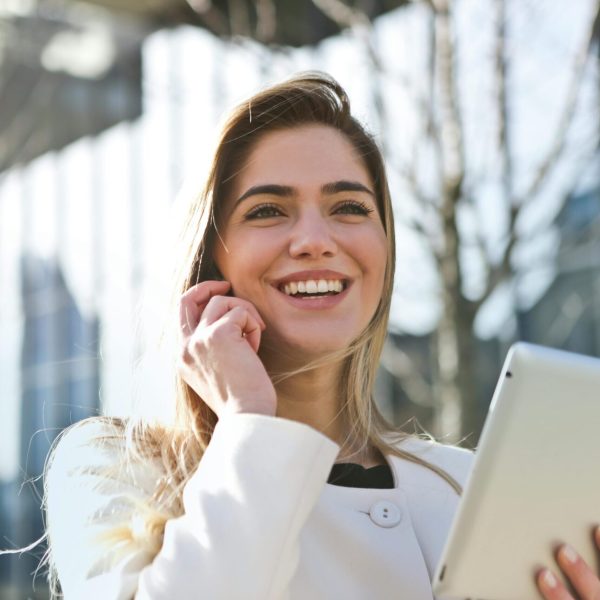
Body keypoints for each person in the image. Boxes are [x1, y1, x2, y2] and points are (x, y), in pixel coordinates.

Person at [42, 72, 600, 599]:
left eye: (349, 207)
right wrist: (250, 421)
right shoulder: (112, 470)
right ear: (209, 259)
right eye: (267, 210)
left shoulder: (471, 488)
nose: (315, 239)